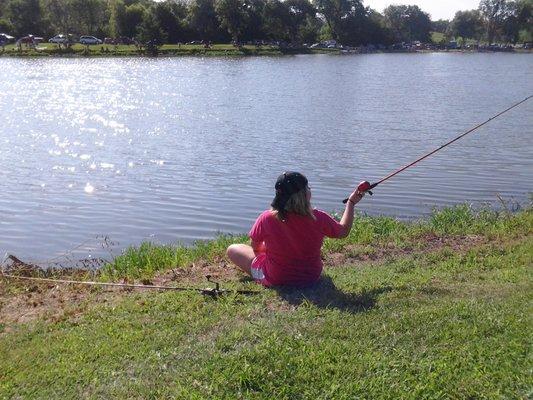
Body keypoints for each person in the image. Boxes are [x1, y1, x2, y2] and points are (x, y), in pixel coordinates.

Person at [226, 171, 364, 287]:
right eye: (308, 187)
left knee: (233, 249)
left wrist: (269, 251)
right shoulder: (319, 217)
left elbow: (255, 247)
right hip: (311, 277)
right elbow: (343, 231)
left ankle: (265, 273)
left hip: (277, 279)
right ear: (305, 194)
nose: (310, 190)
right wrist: (351, 203)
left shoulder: (266, 218)